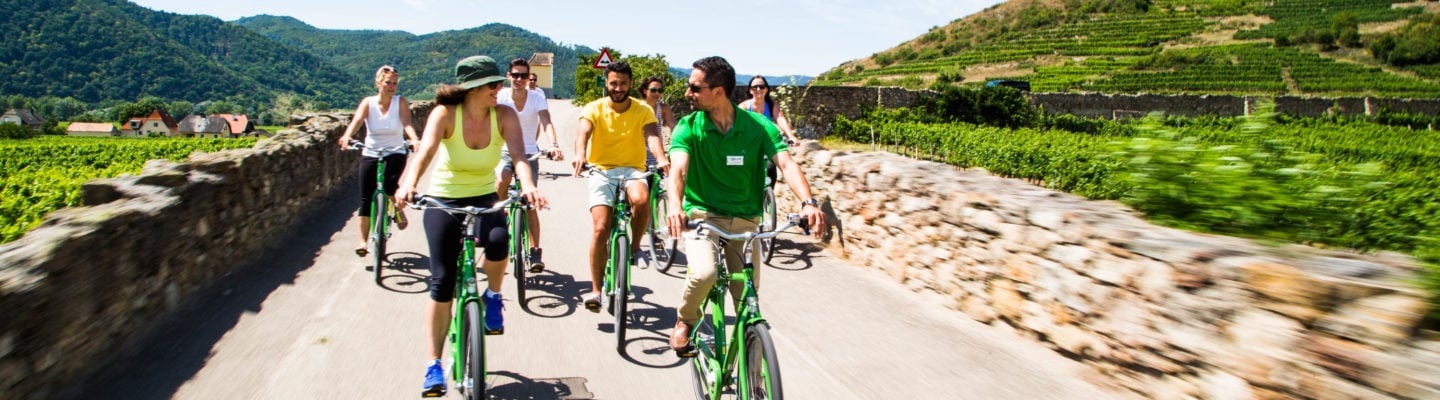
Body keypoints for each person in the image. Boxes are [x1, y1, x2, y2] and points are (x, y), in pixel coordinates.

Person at [393, 56, 548, 397]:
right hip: (444, 199)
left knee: (499, 241)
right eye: (493, 84)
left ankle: (493, 295)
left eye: (499, 83)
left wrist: (529, 186)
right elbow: (425, 152)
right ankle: (434, 364)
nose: (499, 89)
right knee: (442, 280)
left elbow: (519, 156)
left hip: (483, 195)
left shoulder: (503, 115)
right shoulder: (445, 114)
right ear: (473, 88)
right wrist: (409, 183)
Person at [665, 56, 826, 352]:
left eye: (695, 88)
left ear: (718, 91)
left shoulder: (759, 126)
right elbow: (678, 171)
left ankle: (749, 367)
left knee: (747, 300)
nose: (688, 93)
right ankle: (686, 319)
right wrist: (675, 205)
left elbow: (786, 164)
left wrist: (808, 202)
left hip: (746, 223)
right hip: (703, 218)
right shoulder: (687, 127)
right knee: (705, 274)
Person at [571, 61, 668, 311]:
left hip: (633, 169)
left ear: (631, 84)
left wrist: (660, 158)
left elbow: (652, 136)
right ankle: (596, 290)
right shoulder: (594, 108)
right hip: (601, 170)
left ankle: (634, 249)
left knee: (642, 200)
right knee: (600, 228)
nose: (618, 88)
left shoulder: (642, 110)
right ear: (606, 82)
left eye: (623, 83)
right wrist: (580, 155)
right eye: (613, 83)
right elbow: (583, 134)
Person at [338, 65, 420, 256]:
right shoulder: (368, 103)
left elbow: (407, 123)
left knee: (390, 186)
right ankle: (362, 242)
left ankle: (397, 209)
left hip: (395, 151)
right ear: (378, 83)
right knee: (366, 197)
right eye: (388, 83)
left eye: (394, 83)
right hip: (371, 151)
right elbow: (357, 121)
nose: (392, 87)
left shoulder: (400, 102)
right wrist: (347, 136)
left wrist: (414, 139)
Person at [495, 58, 563, 272]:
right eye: (515, 75)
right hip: (505, 151)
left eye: (523, 75)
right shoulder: (501, 96)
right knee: (501, 181)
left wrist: (554, 144)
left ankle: (535, 252)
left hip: (529, 153)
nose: (519, 79)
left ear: (528, 78)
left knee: (530, 201)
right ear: (508, 76)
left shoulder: (536, 98)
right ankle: (499, 218)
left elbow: (546, 121)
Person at [736, 75, 802, 144]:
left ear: (766, 89)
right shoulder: (743, 107)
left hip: (767, 143)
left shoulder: (772, 105)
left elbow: (780, 119)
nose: (758, 89)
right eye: (755, 87)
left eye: (762, 86)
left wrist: (791, 136)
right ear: (750, 90)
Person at [639, 75, 678, 171]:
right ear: (645, 90)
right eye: (653, 90)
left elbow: (674, 128)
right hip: (638, 155)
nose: (657, 93)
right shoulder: (636, 108)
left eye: (660, 90)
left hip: (656, 155)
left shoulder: (663, 108)